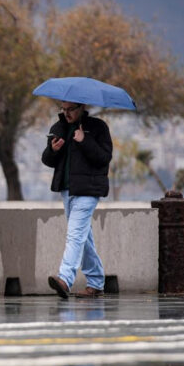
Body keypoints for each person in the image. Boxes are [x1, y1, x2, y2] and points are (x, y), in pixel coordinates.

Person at [41, 101, 112, 299]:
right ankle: (96, 281)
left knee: (74, 234)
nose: (66, 113)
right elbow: (47, 160)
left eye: (71, 109)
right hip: (67, 190)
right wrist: (53, 150)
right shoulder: (58, 128)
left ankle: (65, 278)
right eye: (63, 109)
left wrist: (84, 140)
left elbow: (104, 158)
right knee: (83, 237)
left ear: (81, 107)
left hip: (88, 191)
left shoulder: (98, 128)